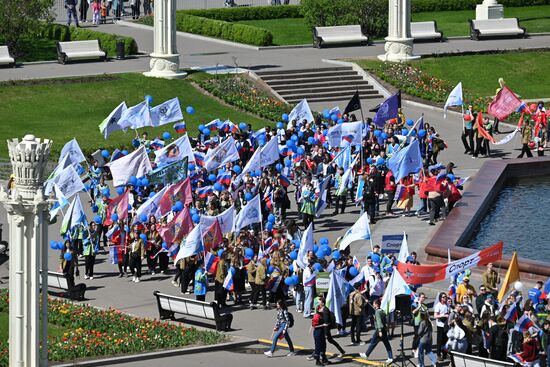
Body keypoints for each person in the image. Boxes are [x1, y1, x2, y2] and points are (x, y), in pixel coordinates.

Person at [359, 298, 393, 363]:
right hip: (383, 329)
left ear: (377, 304)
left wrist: (379, 331)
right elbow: (384, 319)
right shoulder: (381, 310)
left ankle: (366, 355)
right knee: (386, 344)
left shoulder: (377, 312)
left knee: (373, 343)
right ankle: (390, 357)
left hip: (379, 330)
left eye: (374, 303)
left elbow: (379, 322)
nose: (373, 304)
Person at [434, 292, 449, 360]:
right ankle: (438, 354)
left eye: (445, 297)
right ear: (440, 298)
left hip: (446, 325)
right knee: (440, 341)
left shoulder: (447, 305)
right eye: (443, 297)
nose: (445, 298)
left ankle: (445, 354)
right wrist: (443, 315)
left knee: (445, 340)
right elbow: (435, 316)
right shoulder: (438, 305)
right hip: (440, 325)